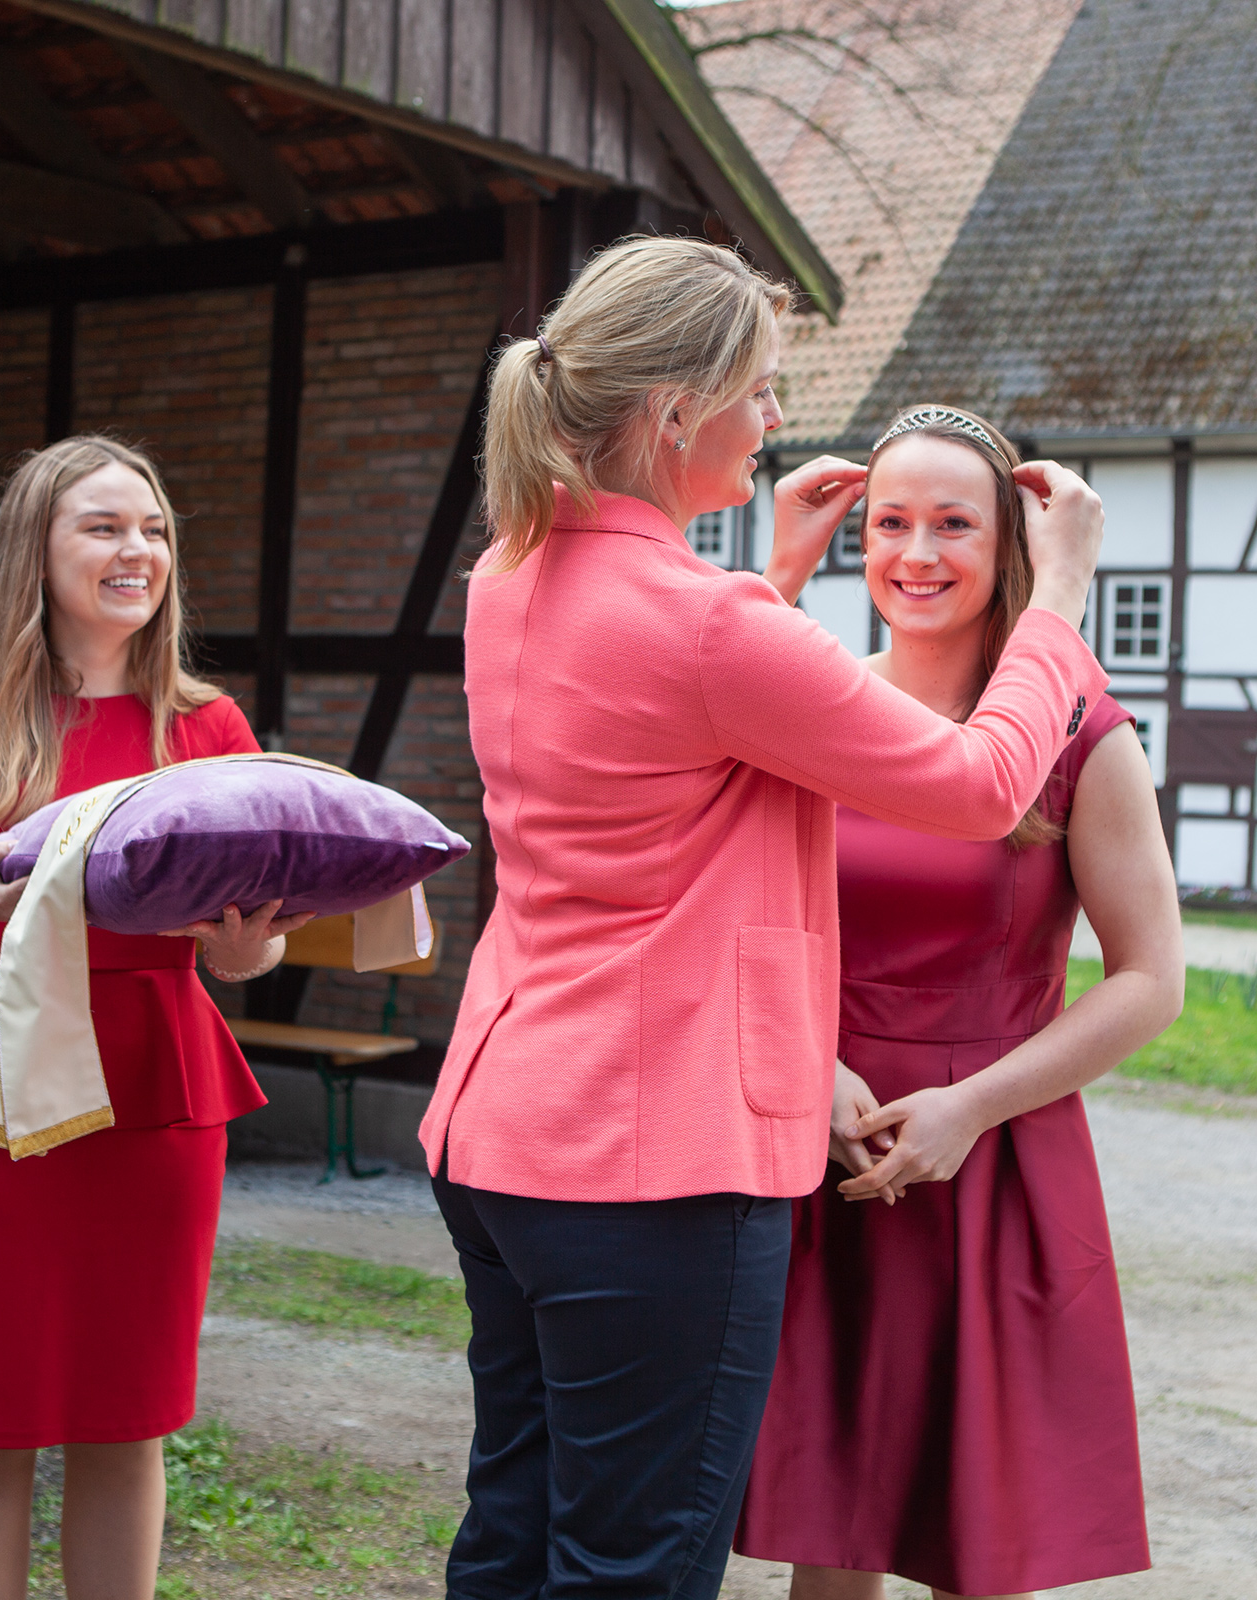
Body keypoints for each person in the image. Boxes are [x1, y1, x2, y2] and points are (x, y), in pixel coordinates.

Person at [416, 235, 1111, 1600]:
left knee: (516, 1532)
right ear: (678, 412)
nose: (778, 418)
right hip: (650, 1171)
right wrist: (1063, 603)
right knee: (634, 1567)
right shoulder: (710, 623)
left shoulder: (512, 573)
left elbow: (669, 725)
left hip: (505, 1132)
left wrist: (774, 578)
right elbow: (980, 787)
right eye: (762, 388)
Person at [734, 405, 1183, 1600]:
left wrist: (971, 1107)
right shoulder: (813, 701)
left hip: (993, 1151)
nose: (917, 553)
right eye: (890, 522)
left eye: (953, 524)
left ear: (1011, 545)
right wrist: (811, 1064)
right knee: (830, 1531)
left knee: (981, 1544)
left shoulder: (1083, 731)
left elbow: (1152, 980)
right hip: (824, 1144)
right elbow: (739, 916)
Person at [0, 435, 304, 1600]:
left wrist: (246, 948)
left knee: (128, 1418)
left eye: (154, 529)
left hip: (155, 1094)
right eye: (104, 527)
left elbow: (250, 948)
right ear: (36, 549)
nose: (137, 549)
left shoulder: (210, 728)